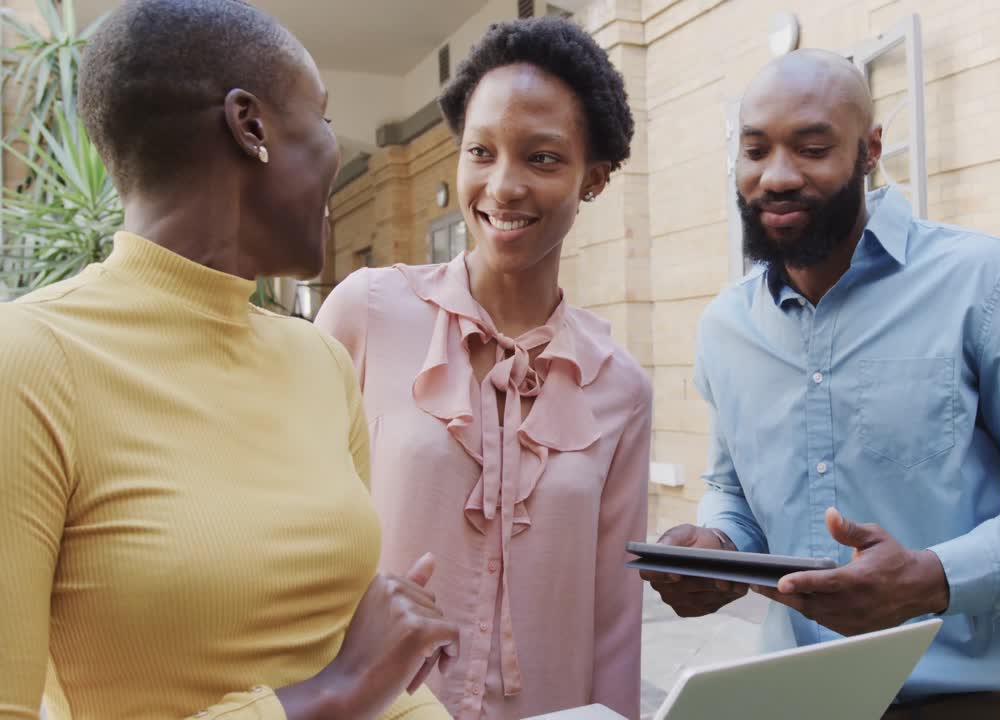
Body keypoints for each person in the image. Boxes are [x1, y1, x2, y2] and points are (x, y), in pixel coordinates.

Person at [0, 2, 458, 718]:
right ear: (251, 127)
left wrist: (387, 643)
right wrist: (331, 694)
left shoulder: (319, 361)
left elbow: (333, 642)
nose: (335, 153)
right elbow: (340, 682)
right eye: (323, 118)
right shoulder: (29, 361)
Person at [642, 49, 1000, 720]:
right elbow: (733, 490)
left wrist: (932, 579)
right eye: (755, 151)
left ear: (869, 151)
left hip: (957, 708)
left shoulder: (993, 283)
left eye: (812, 149)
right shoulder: (727, 327)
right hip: (788, 703)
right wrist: (719, 549)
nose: (776, 176)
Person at [314, 16, 650, 720]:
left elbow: (614, 620)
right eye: (481, 151)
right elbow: (296, 535)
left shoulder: (620, 387)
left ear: (594, 178)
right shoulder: (365, 313)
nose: (503, 186)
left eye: (543, 158)